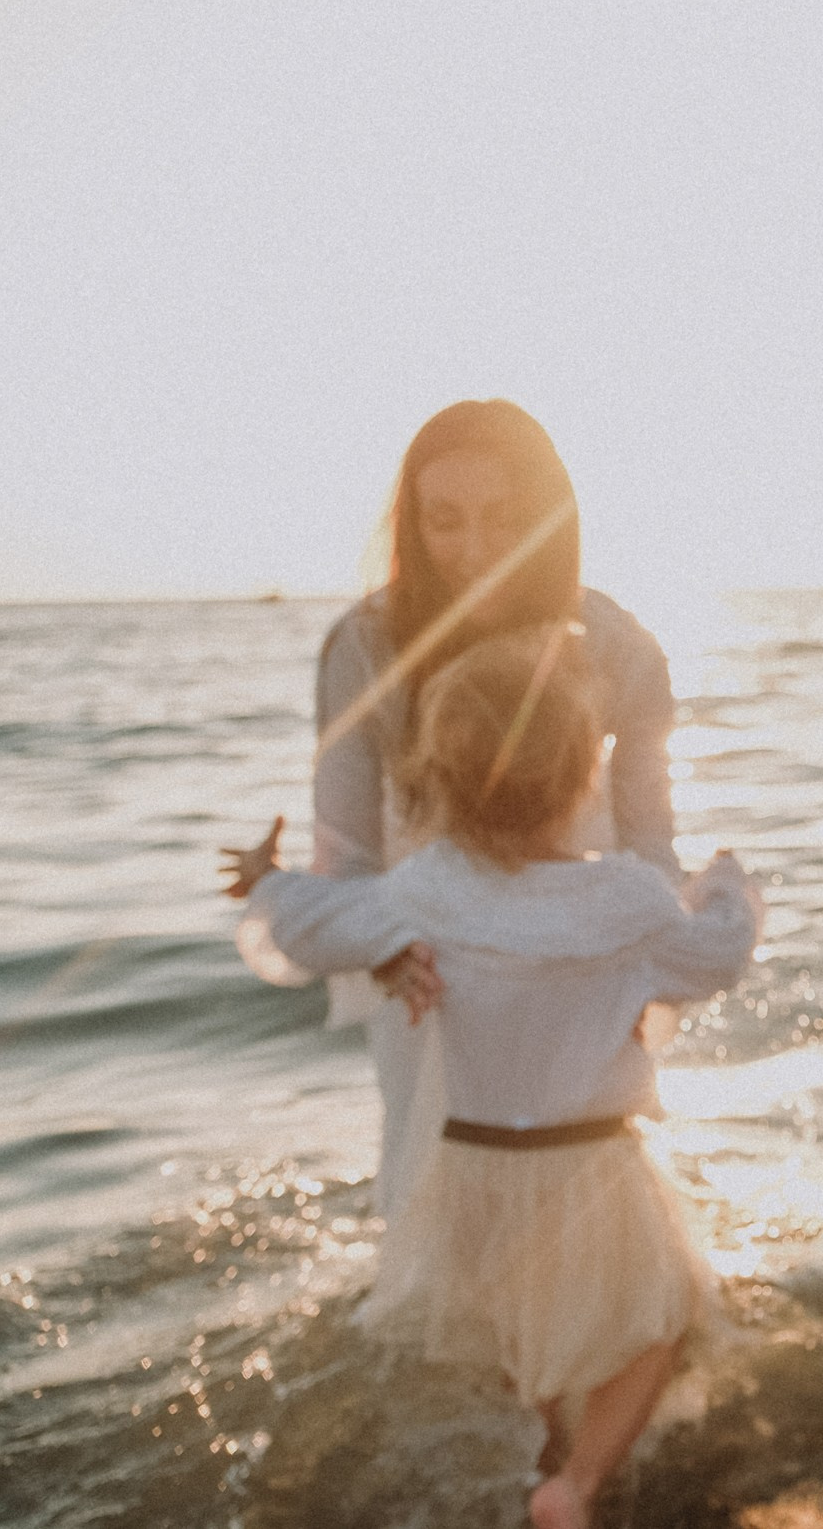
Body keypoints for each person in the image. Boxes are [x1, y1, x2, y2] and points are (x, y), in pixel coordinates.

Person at [224, 625, 761, 1529]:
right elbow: (717, 958)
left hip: (468, 1171)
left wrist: (265, 881)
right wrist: (727, 886)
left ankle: (546, 1443)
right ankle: (576, 1484)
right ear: (586, 773)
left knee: (520, 1322)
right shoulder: (626, 898)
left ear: (437, 780)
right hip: (589, 1164)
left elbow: (316, 928)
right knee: (659, 1317)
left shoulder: (429, 888)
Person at [306, 399, 681, 1223]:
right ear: (413, 523)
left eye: (504, 519)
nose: (474, 551)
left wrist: (644, 957)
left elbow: (651, 839)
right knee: (432, 1195)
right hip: (425, 963)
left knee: (596, 1205)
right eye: (445, 521)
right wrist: (382, 947)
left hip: (583, 958)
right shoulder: (362, 647)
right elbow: (344, 853)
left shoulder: (618, 646)